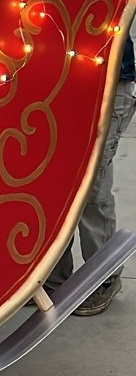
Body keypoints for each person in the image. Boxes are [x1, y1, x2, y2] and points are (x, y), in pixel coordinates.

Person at [46, 35, 136, 315]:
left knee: (91, 188)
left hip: (106, 82)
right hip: (57, 81)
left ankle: (103, 278)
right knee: (52, 184)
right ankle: (52, 279)